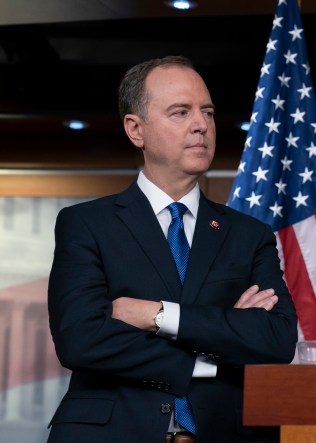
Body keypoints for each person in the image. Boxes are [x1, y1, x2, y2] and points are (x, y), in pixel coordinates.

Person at [47, 56, 297, 443]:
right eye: (180, 112)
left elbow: (276, 339)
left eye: (208, 112)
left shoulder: (250, 235)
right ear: (136, 130)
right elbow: (81, 339)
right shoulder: (86, 224)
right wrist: (214, 350)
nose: (202, 125)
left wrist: (156, 315)